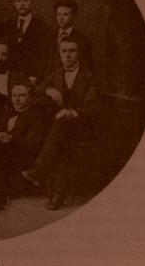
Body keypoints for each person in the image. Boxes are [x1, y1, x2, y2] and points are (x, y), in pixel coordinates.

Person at [22, 37, 101, 210]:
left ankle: (39, 171)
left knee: (62, 125)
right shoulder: (56, 73)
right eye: (64, 51)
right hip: (60, 130)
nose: (68, 55)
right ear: (59, 53)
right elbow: (36, 92)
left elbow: (94, 107)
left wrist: (73, 112)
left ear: (79, 53)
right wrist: (49, 90)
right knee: (62, 138)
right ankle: (58, 194)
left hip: (82, 125)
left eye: (72, 51)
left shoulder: (88, 76)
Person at [0, 81, 51, 204]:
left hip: (21, 157)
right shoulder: (9, 112)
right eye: (14, 95)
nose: (17, 99)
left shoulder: (36, 115)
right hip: (5, 154)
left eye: (22, 95)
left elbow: (34, 144)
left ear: (31, 98)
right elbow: (0, 129)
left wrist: (11, 138)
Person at [0, 0, 51, 84]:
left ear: (32, 2)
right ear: (14, 3)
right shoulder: (5, 26)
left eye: (25, 0)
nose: (22, 4)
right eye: (19, 1)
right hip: (7, 77)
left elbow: (43, 57)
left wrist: (35, 76)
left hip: (30, 78)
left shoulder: (42, 28)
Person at [48, 0, 94, 73]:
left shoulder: (82, 39)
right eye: (59, 14)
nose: (61, 18)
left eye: (65, 14)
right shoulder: (50, 37)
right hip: (49, 78)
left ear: (74, 17)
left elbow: (87, 67)